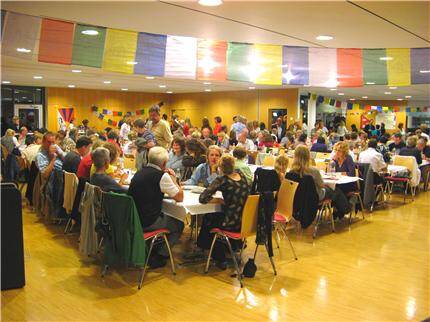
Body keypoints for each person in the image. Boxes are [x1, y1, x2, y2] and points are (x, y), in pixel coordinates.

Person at [128, 147, 184, 268]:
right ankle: (161, 255)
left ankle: (154, 247)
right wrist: (174, 179)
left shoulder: (139, 172)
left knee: (167, 216)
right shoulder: (161, 176)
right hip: (148, 221)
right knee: (179, 224)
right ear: (164, 163)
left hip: (133, 218)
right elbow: (179, 197)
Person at [197, 154, 250, 268]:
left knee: (209, 218)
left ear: (220, 168)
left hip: (229, 223)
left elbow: (202, 198)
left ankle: (217, 255)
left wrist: (216, 199)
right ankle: (230, 247)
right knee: (215, 216)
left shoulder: (222, 180)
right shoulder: (241, 175)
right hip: (244, 221)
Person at [289, 146, 351, 219]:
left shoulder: (291, 171)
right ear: (308, 156)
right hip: (315, 196)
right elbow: (321, 185)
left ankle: (338, 211)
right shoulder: (313, 171)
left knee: (332, 192)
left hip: (298, 197)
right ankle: (345, 209)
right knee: (336, 191)